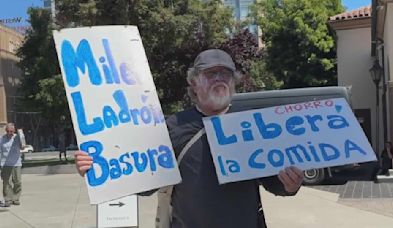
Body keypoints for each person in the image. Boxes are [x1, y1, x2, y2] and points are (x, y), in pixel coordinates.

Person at [75, 49, 304, 228]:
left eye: (225, 73)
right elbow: (143, 183)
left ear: (234, 81)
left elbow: (273, 182)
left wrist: (290, 185)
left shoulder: (253, 126)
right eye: (210, 74)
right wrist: (97, 166)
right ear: (194, 83)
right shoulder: (172, 127)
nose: (219, 79)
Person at [0, 123, 23, 207]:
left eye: (11, 131)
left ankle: (15, 198)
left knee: (18, 182)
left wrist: (22, 142)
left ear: (14, 130)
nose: (10, 133)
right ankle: (8, 199)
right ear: (6, 131)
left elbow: (22, 146)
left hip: (16, 163)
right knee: (6, 183)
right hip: (5, 164)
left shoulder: (17, 137)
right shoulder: (2, 139)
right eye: (8, 131)